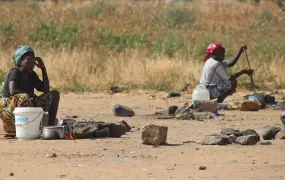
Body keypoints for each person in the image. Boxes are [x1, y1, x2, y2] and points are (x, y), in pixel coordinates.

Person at [0, 46, 60, 135]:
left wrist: (43, 69)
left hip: (28, 104)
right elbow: (12, 91)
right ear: (20, 62)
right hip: (10, 108)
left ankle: (49, 128)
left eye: (33, 62)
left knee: (55, 94)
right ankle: (12, 124)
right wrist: (31, 95)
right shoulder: (15, 72)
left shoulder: (32, 75)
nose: (31, 65)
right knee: (24, 96)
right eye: (28, 62)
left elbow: (45, 89)